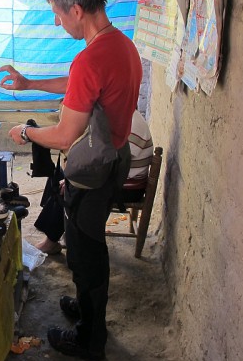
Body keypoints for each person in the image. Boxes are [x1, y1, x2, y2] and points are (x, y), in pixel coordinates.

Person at [0, 0, 142, 361]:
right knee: (89, 245)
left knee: (86, 253)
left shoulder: (93, 57)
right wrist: (29, 84)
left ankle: (89, 339)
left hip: (93, 168)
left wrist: (26, 133)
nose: (57, 23)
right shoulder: (120, 45)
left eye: (58, 16)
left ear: (77, 9)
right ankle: (86, 308)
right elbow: (78, 83)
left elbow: (63, 136)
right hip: (114, 157)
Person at [33, 109, 154, 255]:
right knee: (63, 171)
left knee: (73, 184)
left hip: (127, 188)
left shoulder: (124, 123)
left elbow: (107, 164)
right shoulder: (121, 113)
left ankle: (52, 241)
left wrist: (74, 178)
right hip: (120, 177)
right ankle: (60, 230)